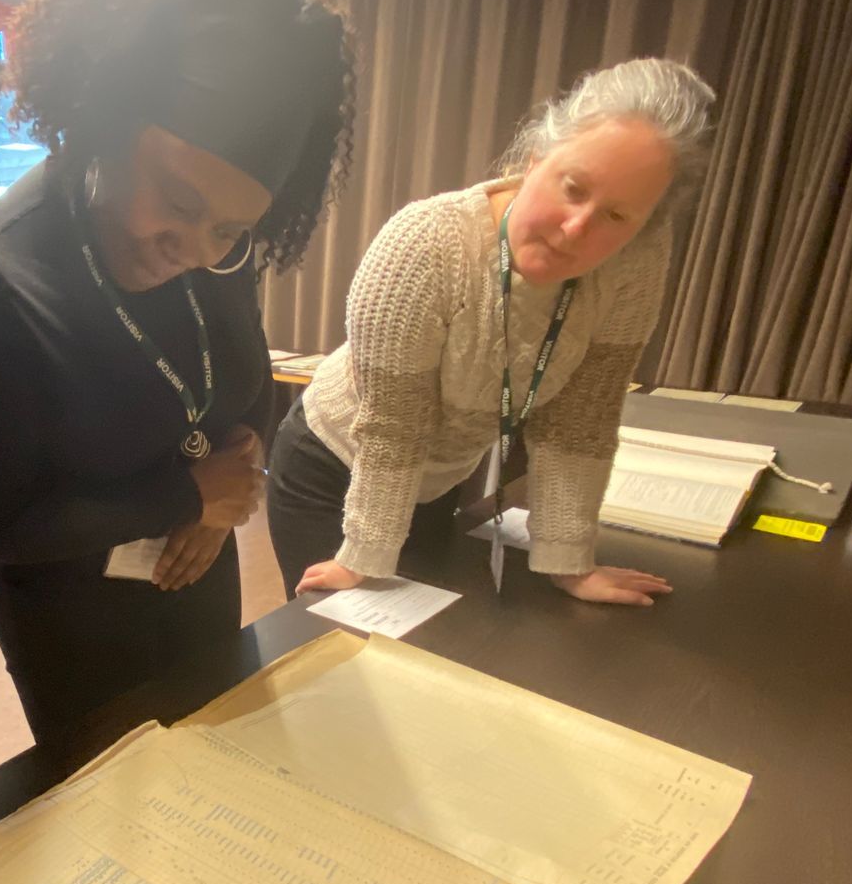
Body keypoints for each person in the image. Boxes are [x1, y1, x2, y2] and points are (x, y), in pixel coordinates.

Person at [0, 0, 354, 763]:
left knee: (215, 763)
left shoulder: (220, 247)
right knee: (111, 801)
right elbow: (4, 522)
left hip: (197, 566)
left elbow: (236, 384)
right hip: (71, 611)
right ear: (101, 116)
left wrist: (237, 465)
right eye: (177, 200)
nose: (194, 248)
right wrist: (191, 494)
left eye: (231, 227)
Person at [266, 58, 716, 604]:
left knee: (427, 641)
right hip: (337, 463)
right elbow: (393, 425)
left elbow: (583, 416)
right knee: (344, 638)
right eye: (573, 188)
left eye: (618, 217)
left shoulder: (636, 263)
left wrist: (570, 563)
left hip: (441, 479)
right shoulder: (425, 245)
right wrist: (363, 557)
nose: (577, 229)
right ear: (535, 160)